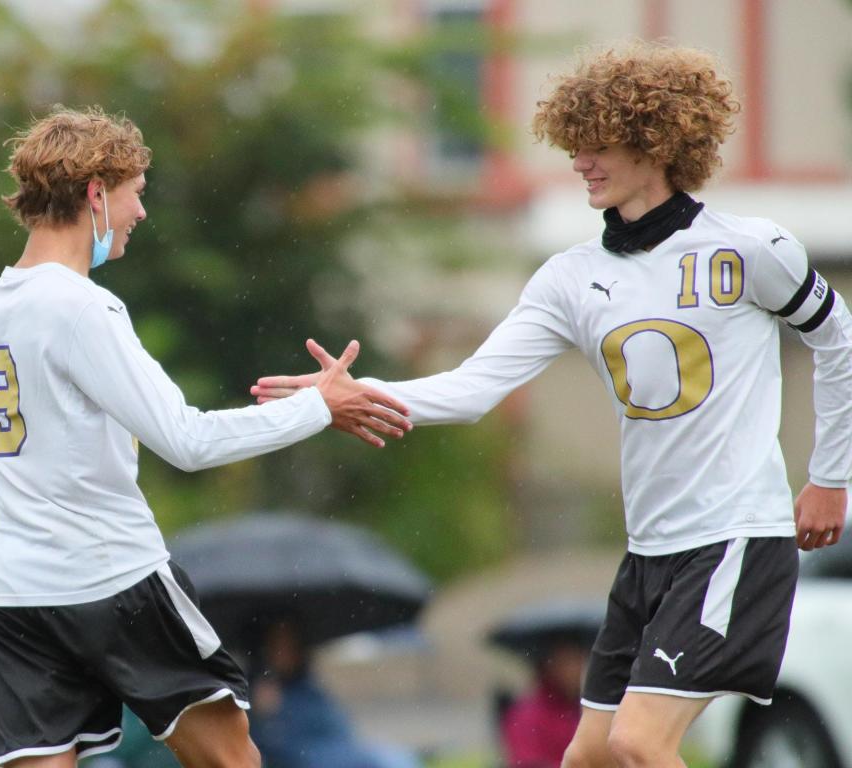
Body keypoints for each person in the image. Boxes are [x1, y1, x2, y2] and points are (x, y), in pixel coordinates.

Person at [251, 40, 852, 768]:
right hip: (649, 554)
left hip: (733, 541)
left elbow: (838, 340)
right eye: (574, 145)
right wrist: (345, 397)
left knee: (638, 744)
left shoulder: (752, 249)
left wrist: (830, 476)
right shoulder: (571, 277)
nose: (580, 162)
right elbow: (472, 388)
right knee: (587, 758)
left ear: (655, 141)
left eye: (597, 144)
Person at [0, 105, 412, 768]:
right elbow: (188, 440)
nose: (141, 214)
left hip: (14, 591)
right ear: (95, 195)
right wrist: (318, 406)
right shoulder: (83, 305)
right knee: (232, 760)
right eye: (135, 195)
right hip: (110, 577)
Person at [246, 616, 422, 768]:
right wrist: (265, 717)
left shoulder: (307, 687)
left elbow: (337, 730)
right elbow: (262, 748)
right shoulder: (253, 694)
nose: (285, 652)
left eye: (290, 644)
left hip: (338, 753)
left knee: (392, 758)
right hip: (301, 759)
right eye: (277, 644)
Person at [499, 634, 592, 768]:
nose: (576, 671)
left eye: (580, 662)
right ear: (548, 667)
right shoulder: (526, 714)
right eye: (567, 663)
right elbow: (527, 761)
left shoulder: (586, 708)